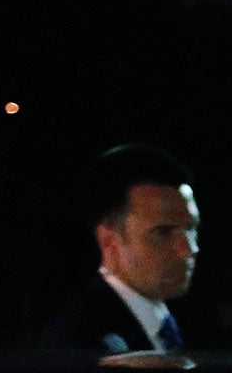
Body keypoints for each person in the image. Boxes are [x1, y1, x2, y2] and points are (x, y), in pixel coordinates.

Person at [37, 145, 200, 355]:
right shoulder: (79, 338)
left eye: (191, 228)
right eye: (163, 232)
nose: (188, 249)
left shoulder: (187, 320)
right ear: (108, 239)